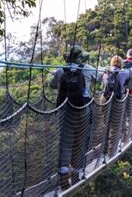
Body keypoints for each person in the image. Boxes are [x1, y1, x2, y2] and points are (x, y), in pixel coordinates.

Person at [50, 45, 102, 189]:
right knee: (79, 143)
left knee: (66, 143)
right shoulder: (87, 68)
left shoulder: (61, 70)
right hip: (83, 111)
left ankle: (63, 178)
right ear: (80, 58)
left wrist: (56, 75)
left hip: (66, 112)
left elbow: (52, 86)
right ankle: (76, 175)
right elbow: (100, 78)